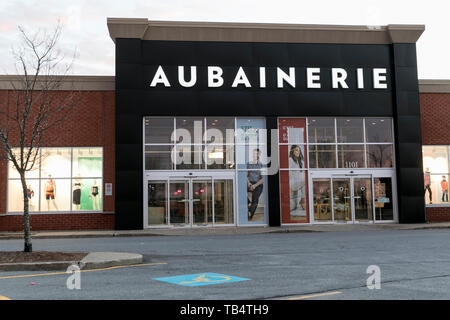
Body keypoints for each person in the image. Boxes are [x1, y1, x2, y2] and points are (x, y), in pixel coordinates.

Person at [288, 145, 306, 217]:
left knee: (305, 180)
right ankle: (302, 200)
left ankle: (302, 199)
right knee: (305, 179)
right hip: (292, 182)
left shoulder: (300, 161)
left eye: (298, 150)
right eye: (296, 150)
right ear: (292, 151)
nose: (298, 152)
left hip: (298, 181)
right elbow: (288, 173)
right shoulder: (290, 160)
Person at [247, 148, 264, 220]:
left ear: (259, 155)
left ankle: (250, 214)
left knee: (255, 199)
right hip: (249, 182)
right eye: (254, 153)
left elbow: (263, 179)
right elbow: (246, 175)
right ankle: (248, 202)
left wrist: (255, 185)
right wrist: (249, 184)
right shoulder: (248, 164)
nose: (255, 155)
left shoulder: (261, 165)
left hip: (258, 184)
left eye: (256, 153)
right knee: (240, 193)